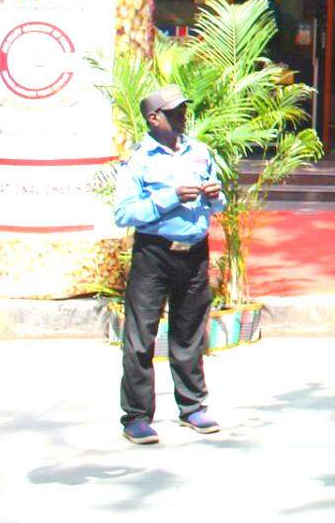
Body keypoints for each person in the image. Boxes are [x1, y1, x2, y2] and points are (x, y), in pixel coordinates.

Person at [111, 85, 226, 446]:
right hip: (154, 254)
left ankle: (192, 407)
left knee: (189, 333)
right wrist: (168, 198)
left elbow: (219, 205)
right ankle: (136, 417)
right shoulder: (139, 161)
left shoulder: (200, 152)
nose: (182, 117)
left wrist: (214, 196)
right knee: (140, 338)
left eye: (182, 110)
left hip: (193, 252)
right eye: (174, 112)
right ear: (154, 118)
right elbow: (124, 213)